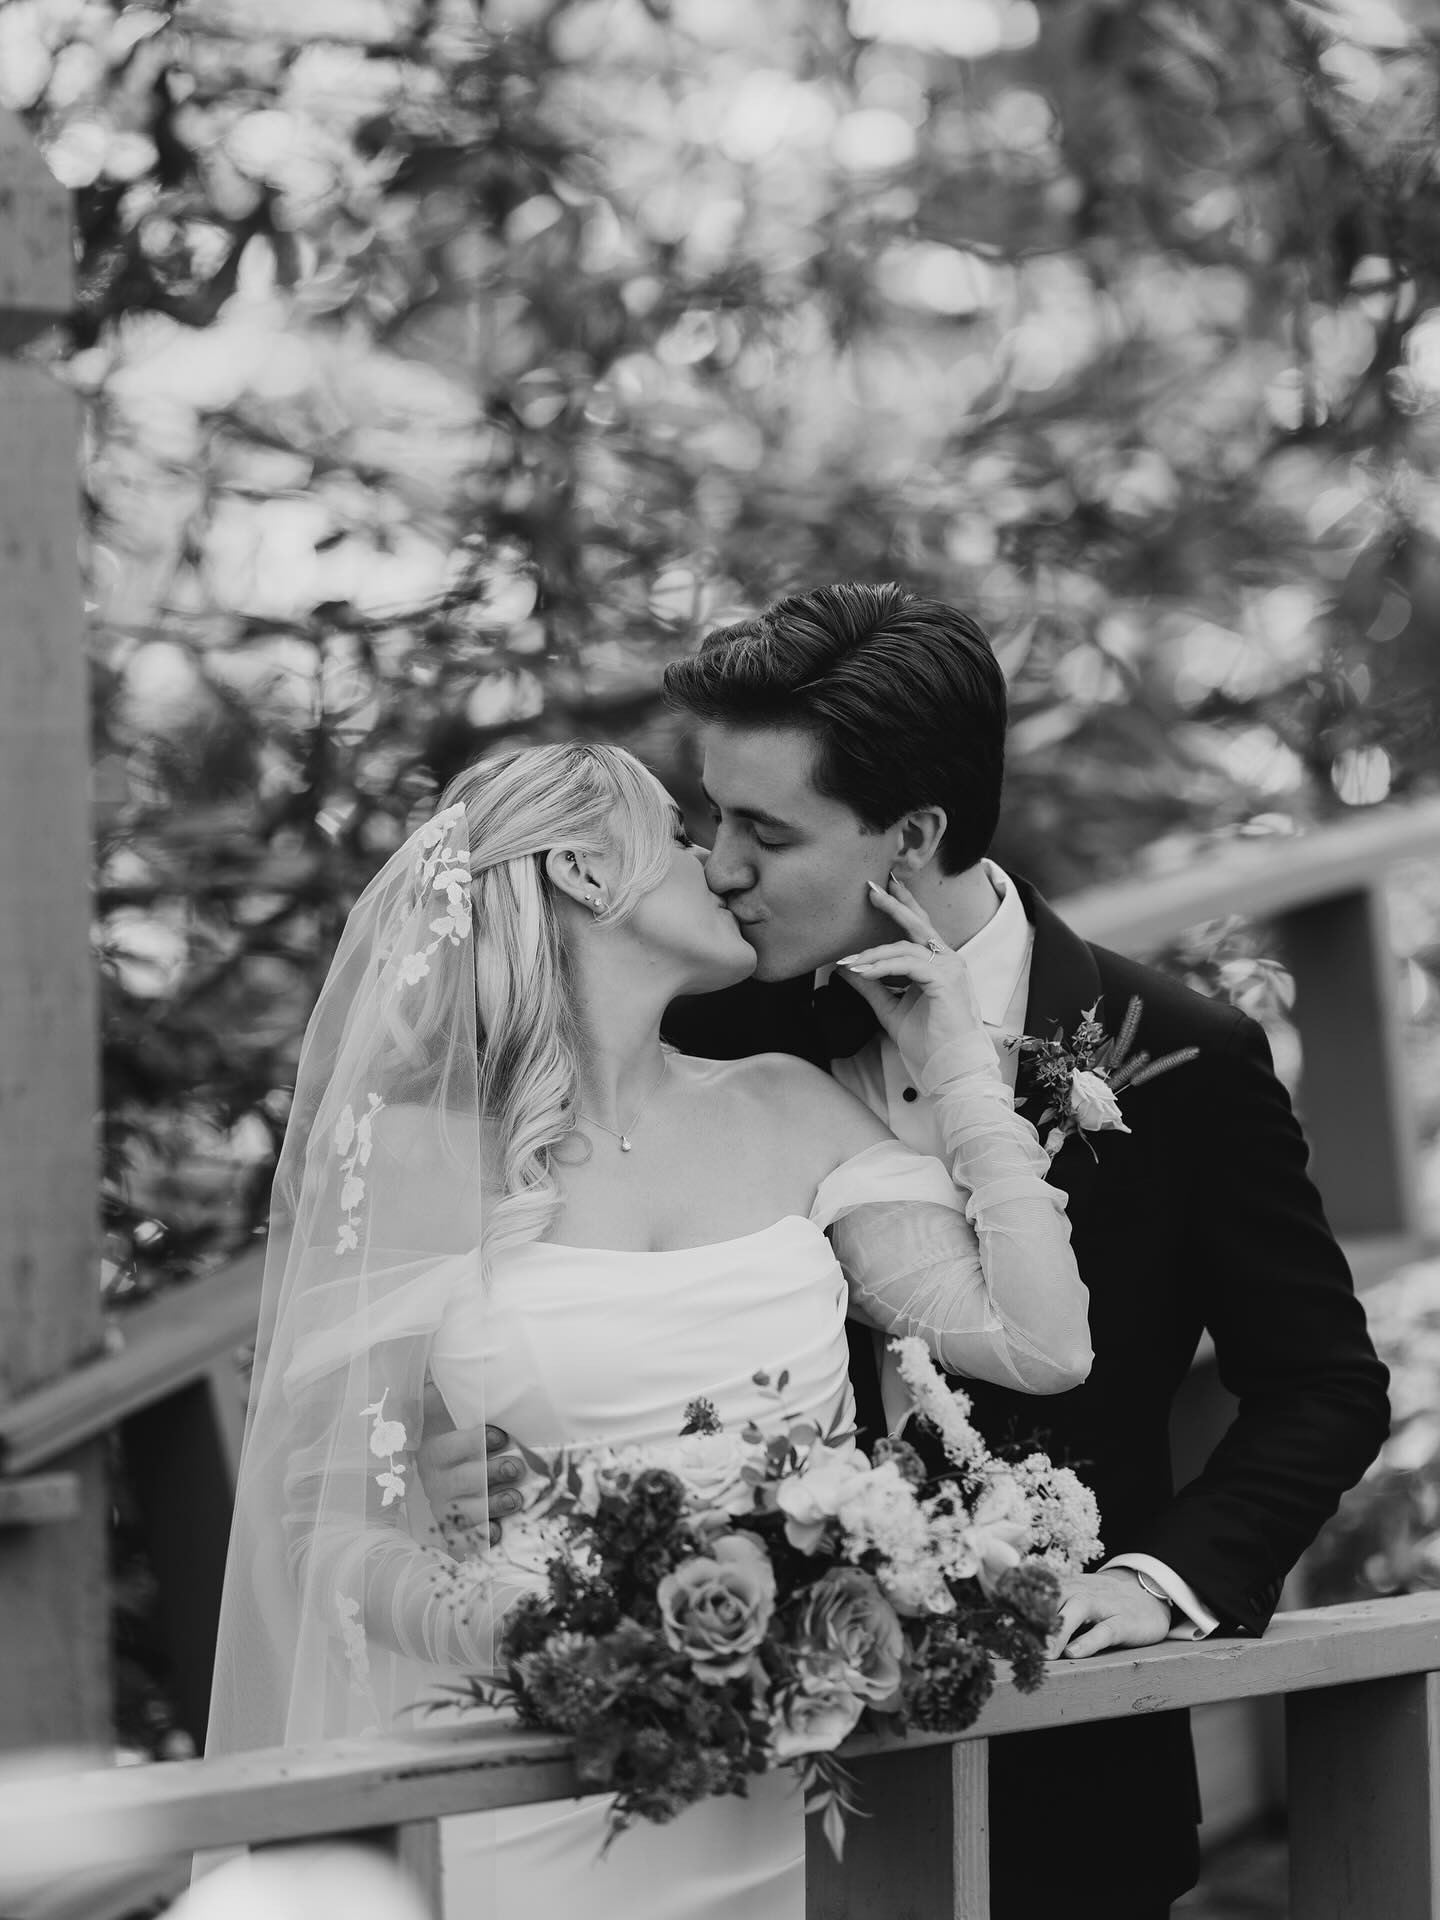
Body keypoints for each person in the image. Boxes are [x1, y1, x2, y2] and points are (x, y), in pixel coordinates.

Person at [422, 586, 1391, 1919]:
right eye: (711, 819)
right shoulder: (705, 1020)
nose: (722, 867)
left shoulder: (1184, 1054)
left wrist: (1161, 1579)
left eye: (768, 832)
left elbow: (1321, 1385)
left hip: (1054, 1753)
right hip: (710, 1765)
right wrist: (466, 1461)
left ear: (916, 835)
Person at [207, 740, 1092, 1920]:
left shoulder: (789, 1105)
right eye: (680, 836)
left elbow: (1042, 1344)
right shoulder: (423, 1160)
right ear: (582, 871)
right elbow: (313, 1526)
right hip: (546, 1784)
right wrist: (541, 1624)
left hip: (804, 1801)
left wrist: (962, 1071)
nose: (719, 867)